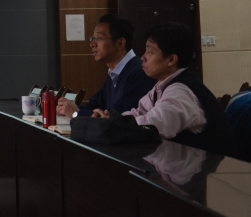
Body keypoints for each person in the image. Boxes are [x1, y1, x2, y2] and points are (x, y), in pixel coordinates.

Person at [94, 22, 236, 156]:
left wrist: (113, 124)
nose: (143, 57)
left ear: (171, 60)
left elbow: (153, 125)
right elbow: (139, 112)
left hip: (208, 171)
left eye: (150, 52)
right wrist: (111, 119)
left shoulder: (181, 91)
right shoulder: (162, 86)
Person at [57, 14, 155, 118]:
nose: (92, 44)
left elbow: (116, 116)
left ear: (120, 43)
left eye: (99, 38)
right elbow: (95, 105)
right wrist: (66, 109)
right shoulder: (114, 72)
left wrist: (75, 113)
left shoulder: (140, 72)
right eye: (93, 38)